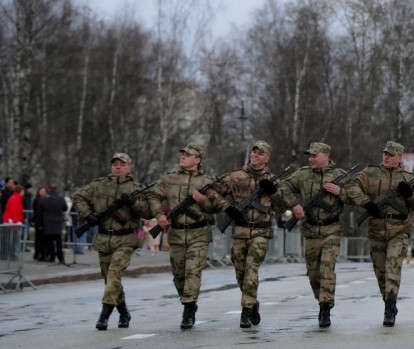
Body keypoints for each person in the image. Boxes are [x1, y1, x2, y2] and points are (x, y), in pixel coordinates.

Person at [345, 141, 414, 327]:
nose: (386, 157)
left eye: (390, 154)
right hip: (377, 228)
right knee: (381, 273)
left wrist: (410, 194)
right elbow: (351, 186)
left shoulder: (408, 178)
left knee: (393, 267)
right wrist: (366, 202)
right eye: (385, 154)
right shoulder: (370, 173)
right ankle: (388, 301)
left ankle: (390, 306)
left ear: (399, 158)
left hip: (399, 229)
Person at [73, 153, 153, 330]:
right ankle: (124, 312)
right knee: (110, 281)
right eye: (115, 164)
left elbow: (148, 212)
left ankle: (104, 315)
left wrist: (133, 203)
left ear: (129, 168)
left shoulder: (136, 188)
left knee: (114, 275)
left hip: (124, 239)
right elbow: (78, 197)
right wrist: (88, 215)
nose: (118, 167)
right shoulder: (99, 184)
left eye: (122, 164)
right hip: (103, 238)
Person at [147, 143, 222, 329]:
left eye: (188, 155)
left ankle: (188, 309)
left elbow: (216, 206)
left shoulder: (207, 181)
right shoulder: (169, 179)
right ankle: (188, 301)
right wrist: (160, 215)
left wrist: (203, 200)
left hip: (199, 233)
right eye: (182, 154)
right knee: (178, 274)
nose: (183, 157)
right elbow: (153, 196)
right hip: (176, 233)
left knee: (192, 271)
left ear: (197, 160)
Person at [279, 142, 352, 328]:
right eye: (309, 156)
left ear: (326, 155)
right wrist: (294, 205)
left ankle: (325, 307)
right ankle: (322, 299)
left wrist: (341, 192)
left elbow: (358, 196)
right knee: (313, 274)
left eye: (314, 155)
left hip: (332, 230)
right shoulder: (303, 174)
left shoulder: (339, 176)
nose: (310, 159)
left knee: (327, 268)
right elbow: (283, 187)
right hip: (311, 231)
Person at [214, 141, 286, 328]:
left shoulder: (274, 181)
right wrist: (227, 208)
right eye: (254, 152)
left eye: (260, 153)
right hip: (240, 230)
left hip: (261, 231)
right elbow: (214, 192)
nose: (255, 155)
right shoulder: (236, 176)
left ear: (267, 158)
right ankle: (252, 301)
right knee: (240, 272)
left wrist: (275, 193)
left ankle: (246, 311)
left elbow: (280, 207)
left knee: (251, 268)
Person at [38, 186, 68, 264]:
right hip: (58, 223)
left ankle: (52, 257)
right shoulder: (61, 199)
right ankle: (61, 258)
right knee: (58, 241)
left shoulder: (43, 200)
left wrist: (40, 224)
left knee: (49, 241)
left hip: (47, 223)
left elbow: (39, 214)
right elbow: (65, 208)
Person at [32, 187, 48, 261]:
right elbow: (36, 212)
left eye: (44, 191)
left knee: (44, 239)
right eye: (41, 191)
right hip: (38, 222)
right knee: (38, 239)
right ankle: (37, 253)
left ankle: (43, 253)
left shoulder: (46, 200)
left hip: (44, 222)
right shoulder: (37, 200)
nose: (43, 192)